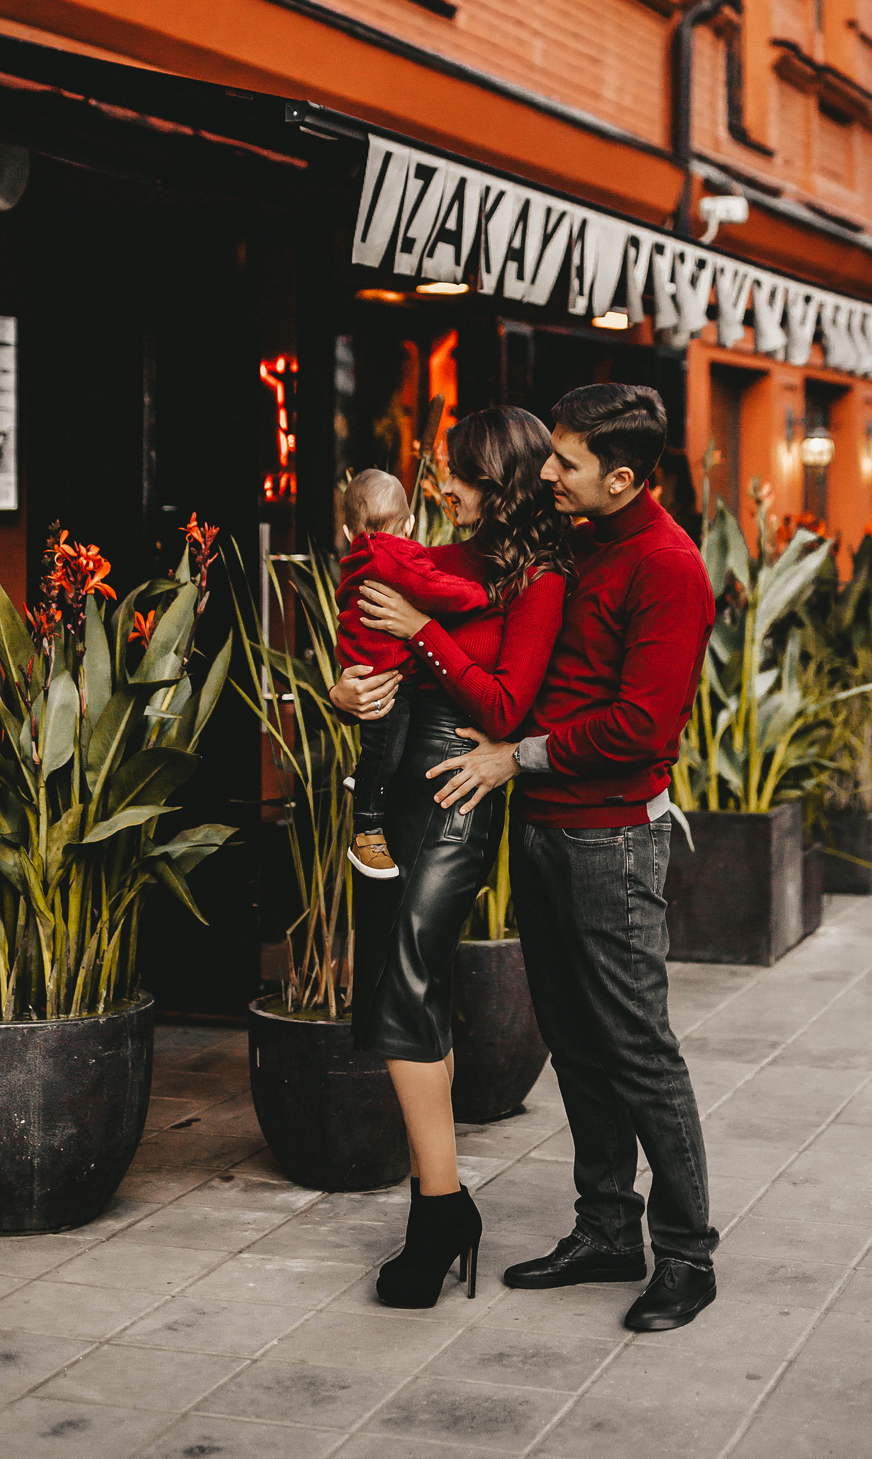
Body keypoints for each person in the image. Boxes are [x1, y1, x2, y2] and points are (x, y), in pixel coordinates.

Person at [424, 383, 719, 1334]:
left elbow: (642, 726)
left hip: (613, 837)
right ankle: (607, 1230)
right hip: (544, 827)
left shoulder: (668, 568)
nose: (546, 472)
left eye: (566, 461)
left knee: (639, 1049)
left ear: (622, 478)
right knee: (575, 1040)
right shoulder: (577, 542)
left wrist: (518, 756)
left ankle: (686, 1255)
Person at [330, 408, 572, 1310]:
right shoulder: (436, 559)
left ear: (497, 483)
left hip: (459, 792)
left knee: (407, 983)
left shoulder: (540, 579)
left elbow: (507, 708)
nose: (443, 488)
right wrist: (344, 690)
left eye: (459, 475)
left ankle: (439, 1210)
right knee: (405, 992)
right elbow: (368, 655)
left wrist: (422, 629)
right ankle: (437, 1205)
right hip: (397, 783)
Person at [337, 468, 489, 879]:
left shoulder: (356, 560)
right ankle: (367, 833)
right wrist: (481, 594)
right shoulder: (399, 557)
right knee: (387, 748)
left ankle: (366, 777)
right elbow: (438, 589)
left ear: (349, 531)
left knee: (381, 748)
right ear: (410, 524)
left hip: (365, 668)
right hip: (387, 678)